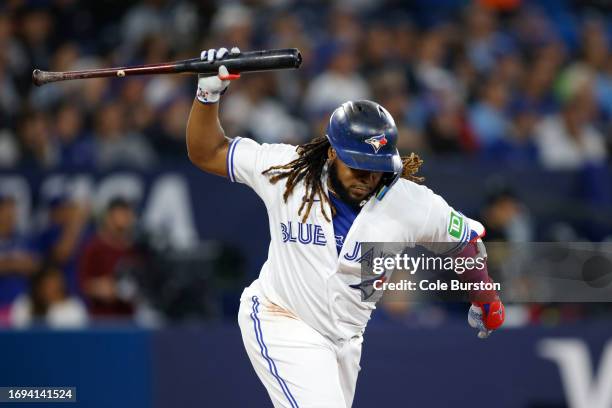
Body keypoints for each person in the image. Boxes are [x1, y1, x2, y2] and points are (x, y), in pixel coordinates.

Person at [186, 48, 505, 408]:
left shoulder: (410, 202)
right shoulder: (287, 171)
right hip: (282, 319)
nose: (368, 178)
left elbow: (464, 242)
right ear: (333, 153)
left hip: (346, 340)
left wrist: (485, 296)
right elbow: (207, 151)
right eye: (359, 166)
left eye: (377, 167)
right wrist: (208, 94)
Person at [78, 197, 137, 318]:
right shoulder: (94, 248)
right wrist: (103, 288)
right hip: (101, 319)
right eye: (118, 215)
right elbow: (83, 284)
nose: (122, 220)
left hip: (130, 319)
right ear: (108, 218)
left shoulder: (136, 250)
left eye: (125, 215)